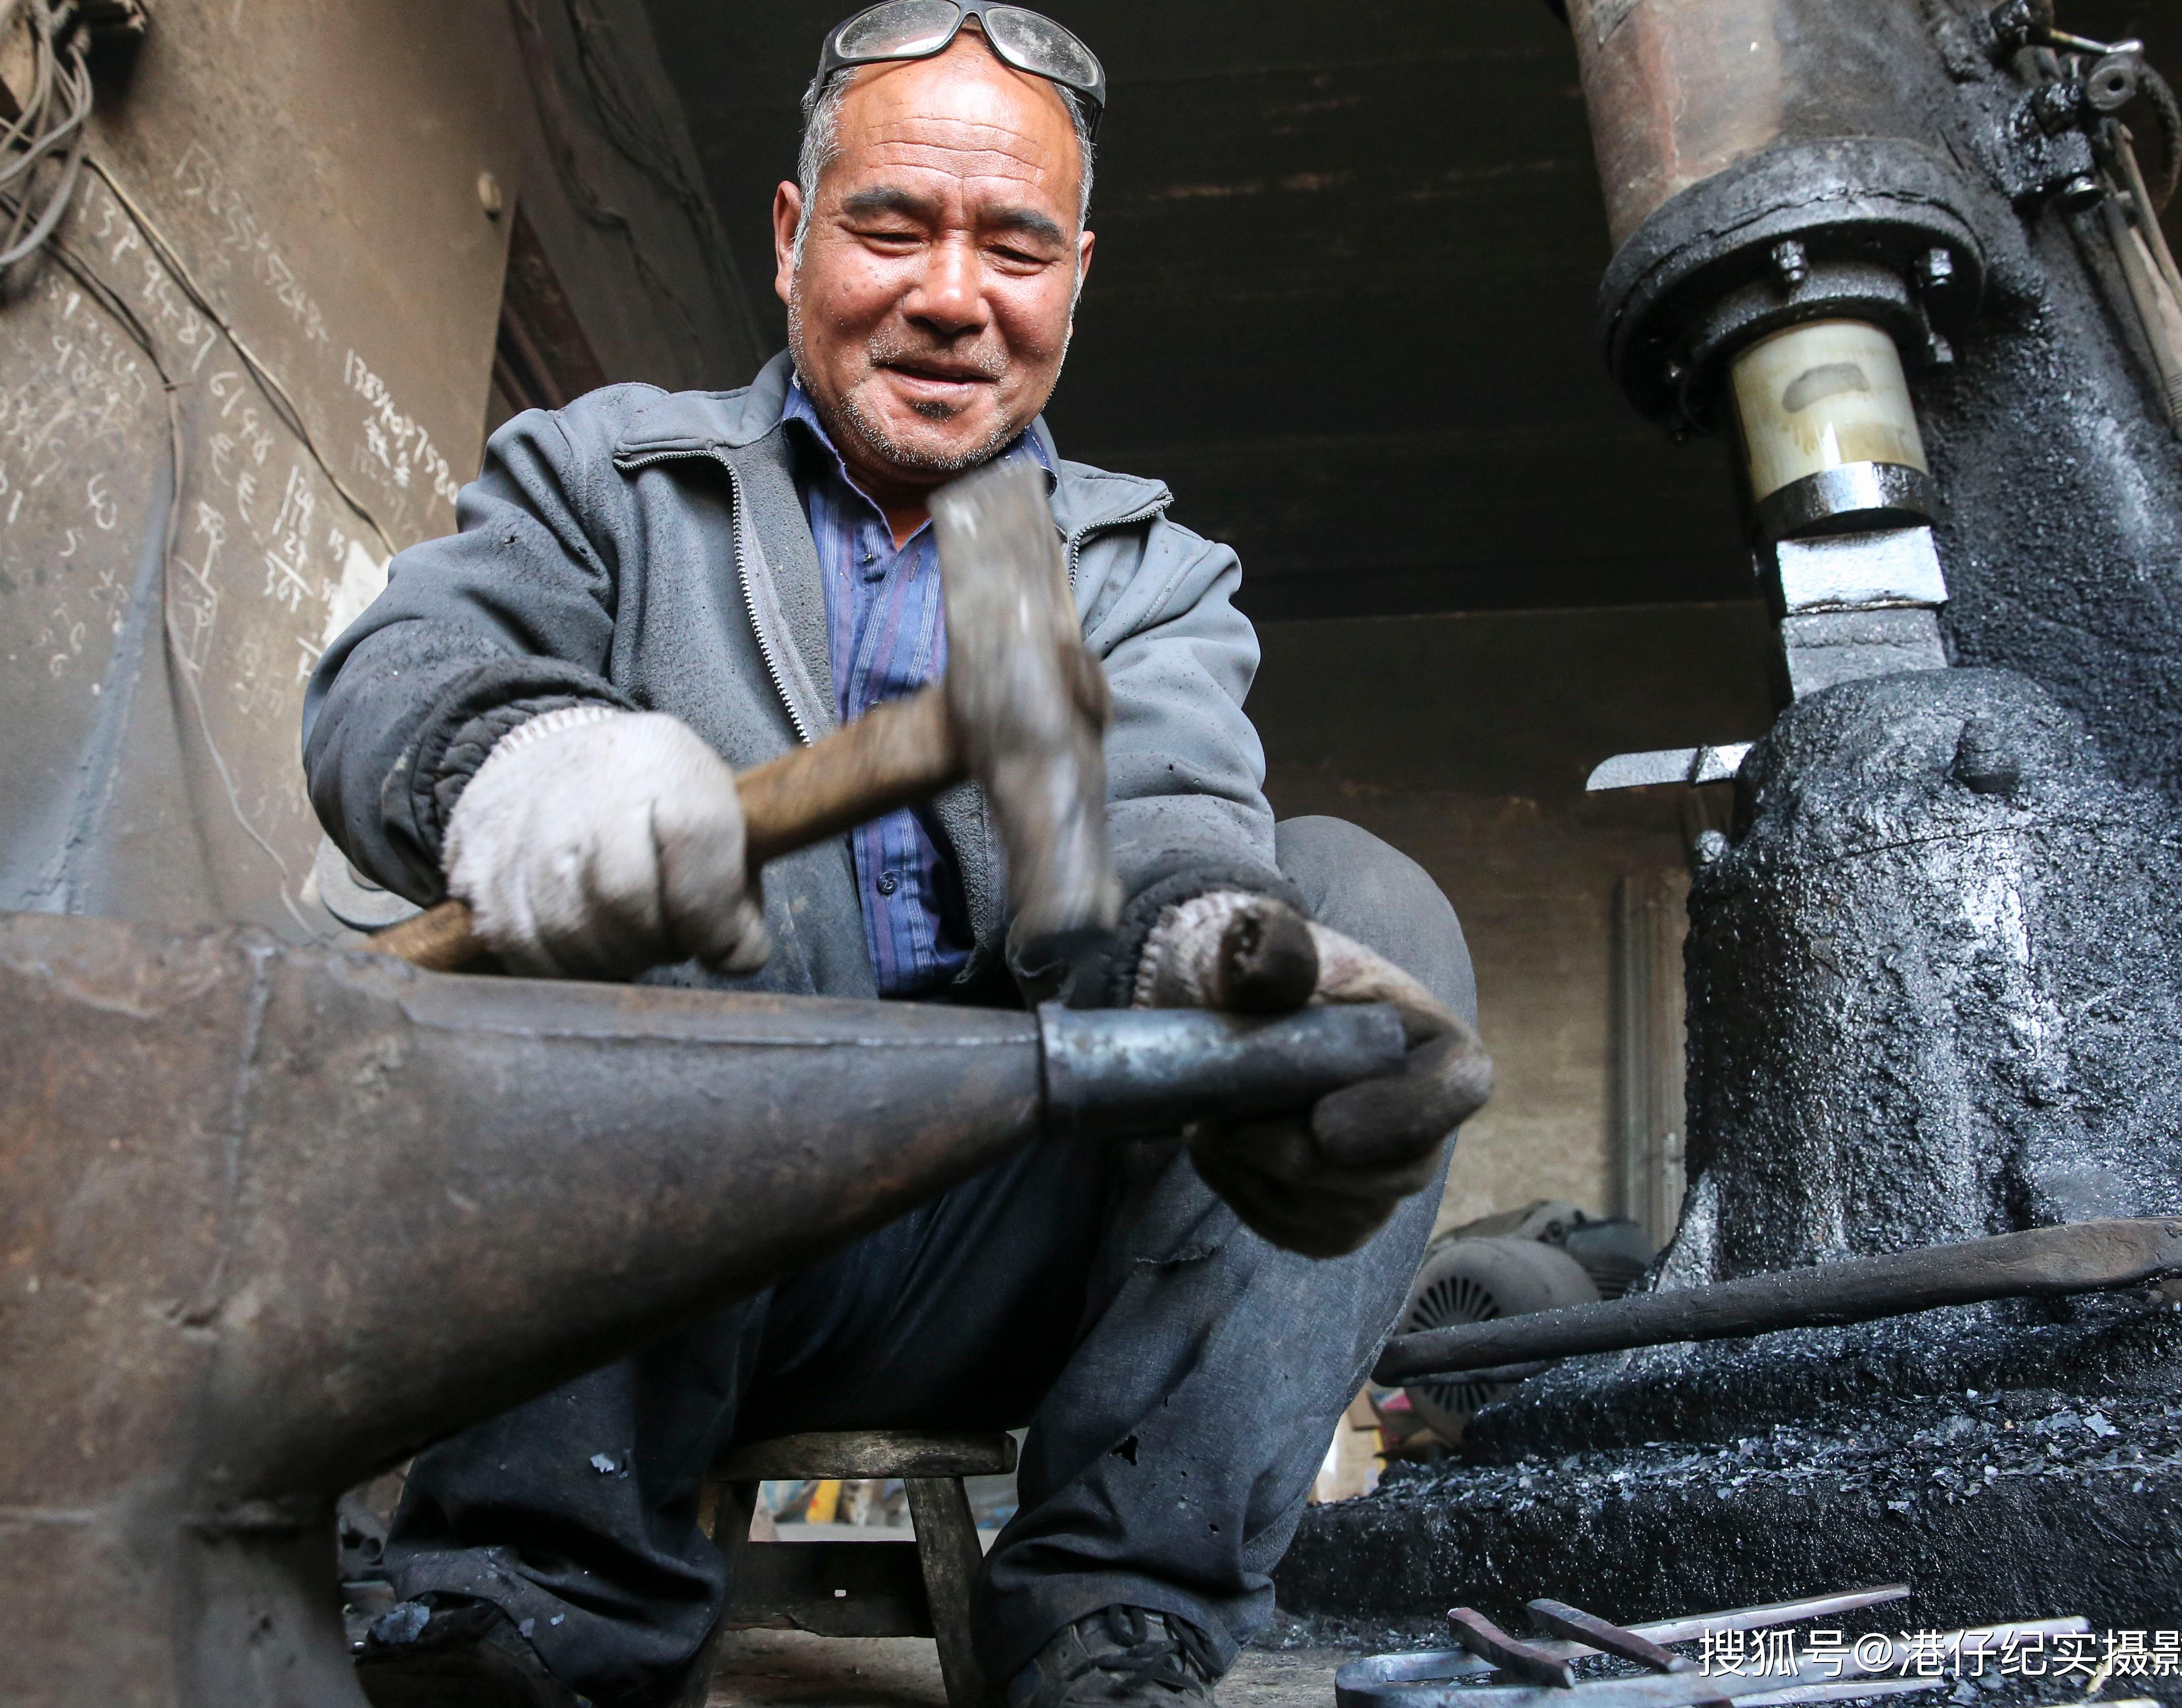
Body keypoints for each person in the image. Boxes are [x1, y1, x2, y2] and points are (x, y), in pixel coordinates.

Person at [301, 6, 1489, 1706]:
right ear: (793, 236)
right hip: (636, 1250)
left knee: (1365, 900)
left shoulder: (1122, 570)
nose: (952, 296)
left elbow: (1149, 829)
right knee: (697, 856)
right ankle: (529, 1607)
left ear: (1074, 279)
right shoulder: (623, 480)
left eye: (1013, 247)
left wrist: (1223, 967)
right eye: (890, 227)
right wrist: (526, 766)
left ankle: (1108, 1622)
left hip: (991, 1249)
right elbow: (396, 675)